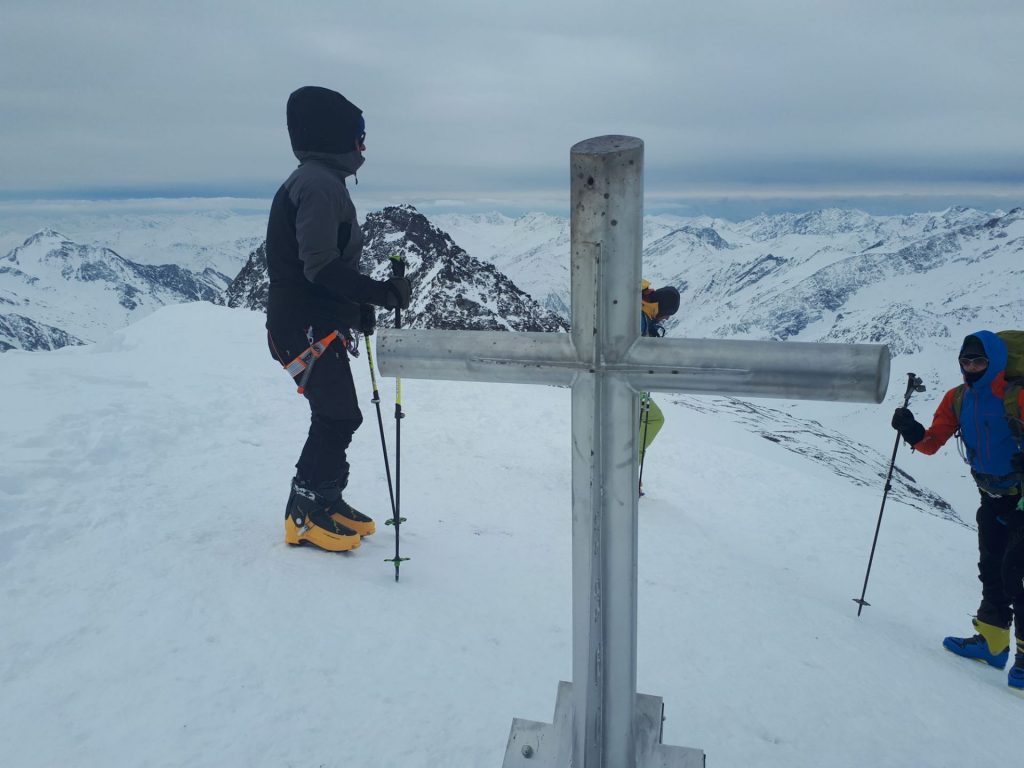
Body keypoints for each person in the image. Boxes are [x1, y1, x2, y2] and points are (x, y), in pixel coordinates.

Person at [265, 86, 412, 553]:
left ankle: (324, 497)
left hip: (309, 320)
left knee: (339, 415)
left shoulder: (319, 180)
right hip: (302, 325)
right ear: (336, 136)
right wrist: (380, 294)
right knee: (337, 415)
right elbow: (319, 267)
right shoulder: (319, 185)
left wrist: (354, 308)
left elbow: (314, 272)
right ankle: (305, 513)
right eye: (359, 134)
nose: (363, 144)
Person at [891, 331, 1024, 690]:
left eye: (979, 361)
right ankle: (993, 644)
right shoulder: (958, 398)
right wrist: (911, 430)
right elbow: (932, 443)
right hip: (990, 496)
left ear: (995, 361)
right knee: (992, 570)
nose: (972, 367)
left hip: (1022, 498)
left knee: (1017, 575)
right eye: (966, 361)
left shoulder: (1017, 396)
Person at [638, 280, 681, 494]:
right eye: (668, 314)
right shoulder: (640, 318)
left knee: (637, 420)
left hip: (628, 382)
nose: (667, 319)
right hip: (627, 384)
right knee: (653, 418)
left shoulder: (640, 309)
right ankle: (627, 466)